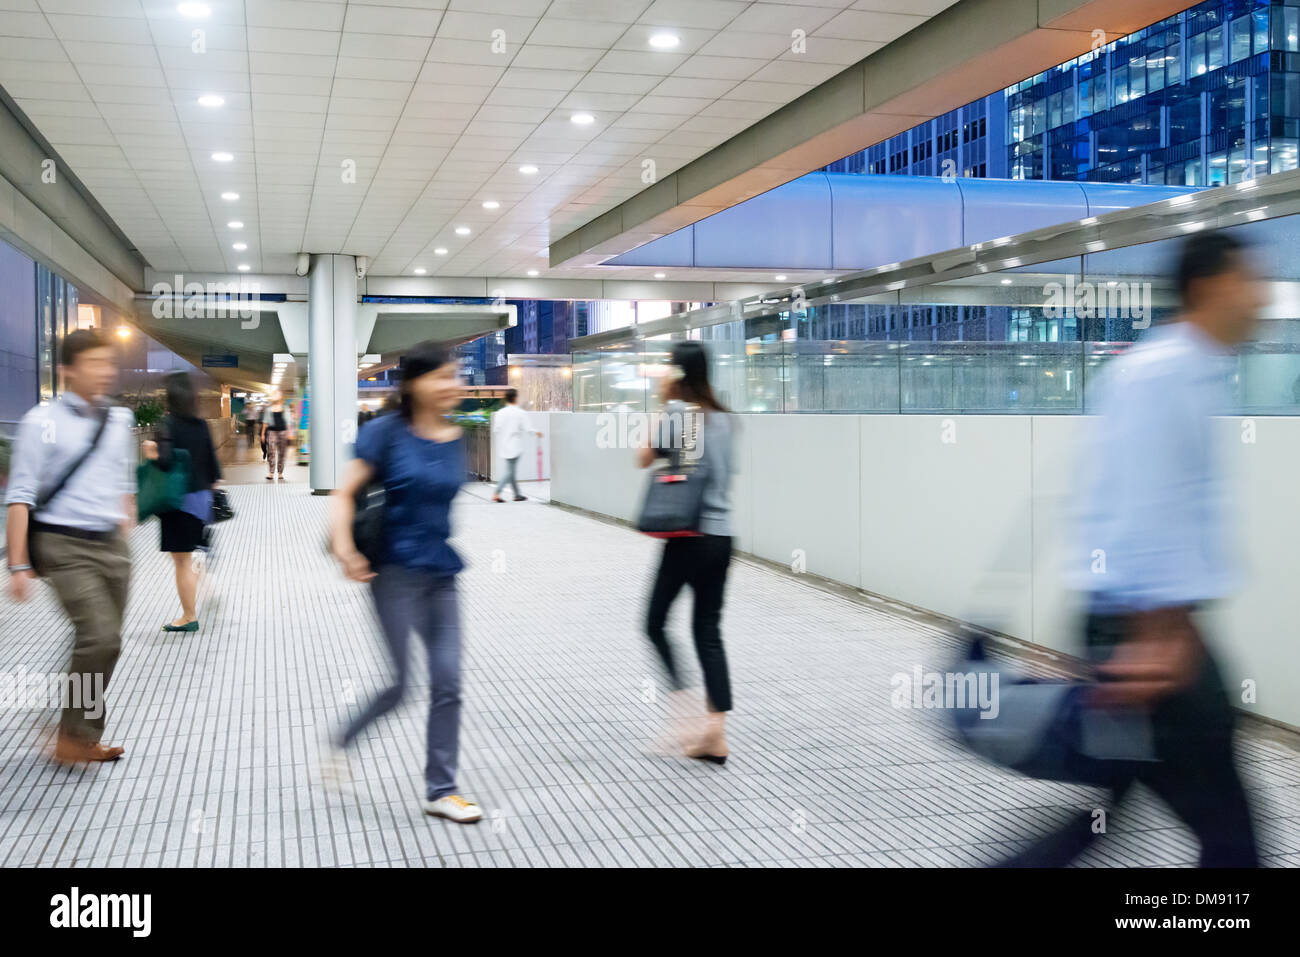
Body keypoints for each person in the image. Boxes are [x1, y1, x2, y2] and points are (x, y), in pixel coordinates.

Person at [999, 230, 1263, 868]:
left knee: (1109, 810)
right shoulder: (1163, 373)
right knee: (1231, 842)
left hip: (1148, 630)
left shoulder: (1185, 372)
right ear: (1208, 286)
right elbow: (1143, 510)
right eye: (1248, 281)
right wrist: (1151, 635)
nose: (1258, 298)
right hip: (1153, 638)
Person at [326, 340, 482, 823]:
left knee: (448, 680)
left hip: (441, 572)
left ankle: (442, 789)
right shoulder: (387, 433)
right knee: (399, 685)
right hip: (392, 571)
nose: (453, 384)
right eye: (442, 376)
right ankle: (343, 742)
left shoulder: (459, 436)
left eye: (455, 376)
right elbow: (343, 491)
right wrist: (344, 547)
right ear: (415, 383)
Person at [4, 329, 136, 764]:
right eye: (94, 363)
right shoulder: (40, 423)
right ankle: (73, 737)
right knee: (98, 635)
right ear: (67, 370)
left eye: (108, 363)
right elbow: (20, 495)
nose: (104, 372)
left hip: (111, 545)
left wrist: (126, 515)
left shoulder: (118, 421)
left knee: (107, 642)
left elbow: (121, 478)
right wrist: (19, 565)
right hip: (62, 544)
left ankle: (79, 735)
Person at [638, 342, 735, 764]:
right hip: (722, 536)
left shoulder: (680, 413)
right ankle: (715, 733)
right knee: (707, 631)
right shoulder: (724, 419)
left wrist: (664, 404)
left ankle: (683, 716)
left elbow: (643, 458)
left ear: (676, 373)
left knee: (654, 621)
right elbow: (714, 472)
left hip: (689, 536)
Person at [141, 372, 221, 633]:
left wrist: (150, 451)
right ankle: (202, 583)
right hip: (201, 499)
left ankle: (189, 616)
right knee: (185, 557)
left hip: (178, 502)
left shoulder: (167, 425)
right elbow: (214, 469)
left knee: (181, 561)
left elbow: (164, 462)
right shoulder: (202, 425)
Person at [491, 388, 541, 502]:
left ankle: (517, 495)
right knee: (510, 472)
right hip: (514, 446)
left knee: (511, 471)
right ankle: (497, 493)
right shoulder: (520, 413)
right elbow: (528, 428)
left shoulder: (500, 413)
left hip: (503, 445)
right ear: (515, 398)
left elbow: (496, 430)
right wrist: (537, 432)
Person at [261, 391, 290, 480]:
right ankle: (271, 472)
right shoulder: (268, 409)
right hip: (271, 432)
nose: (275, 395)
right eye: (274, 394)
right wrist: (262, 434)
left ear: (281, 397)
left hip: (283, 432)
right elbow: (265, 422)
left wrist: (289, 433)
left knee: (282, 453)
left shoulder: (285, 408)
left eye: (277, 394)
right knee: (271, 452)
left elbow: (288, 422)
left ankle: (280, 472)